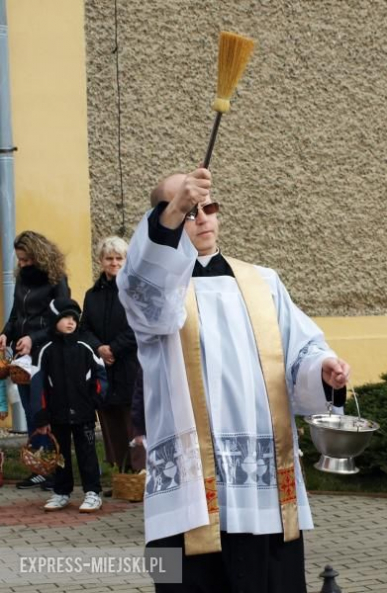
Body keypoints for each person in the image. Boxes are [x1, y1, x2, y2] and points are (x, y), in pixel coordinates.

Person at [117, 168, 351, 593]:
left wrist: (323, 369)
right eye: (189, 211)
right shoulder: (154, 294)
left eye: (208, 208)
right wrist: (173, 212)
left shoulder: (264, 282)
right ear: (164, 218)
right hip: (188, 492)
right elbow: (141, 283)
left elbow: (299, 350)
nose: (202, 219)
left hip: (261, 487)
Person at [0, 230, 70, 490]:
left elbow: (64, 319)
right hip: (22, 358)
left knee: (44, 410)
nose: (22, 264)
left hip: (47, 353)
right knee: (30, 410)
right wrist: (6, 333)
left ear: (39, 256)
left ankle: (54, 467)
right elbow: (17, 314)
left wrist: (34, 338)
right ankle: (39, 466)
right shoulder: (22, 280)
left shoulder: (56, 279)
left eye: (27, 260)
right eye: (19, 260)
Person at [32, 298, 108, 512]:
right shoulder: (46, 351)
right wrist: (42, 415)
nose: (70, 322)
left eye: (74, 318)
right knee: (60, 454)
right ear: (54, 320)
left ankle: (93, 492)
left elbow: (101, 376)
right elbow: (39, 386)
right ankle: (61, 492)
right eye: (65, 317)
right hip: (57, 414)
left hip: (83, 412)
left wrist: (95, 400)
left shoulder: (85, 347)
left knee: (87, 453)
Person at [81, 236, 145, 478]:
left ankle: (139, 474)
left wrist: (114, 349)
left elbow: (138, 326)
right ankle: (120, 474)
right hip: (103, 369)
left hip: (130, 365)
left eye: (120, 258)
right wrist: (99, 348)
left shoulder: (134, 291)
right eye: (109, 258)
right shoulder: (92, 295)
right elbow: (84, 327)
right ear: (101, 261)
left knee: (133, 420)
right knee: (110, 423)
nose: (114, 263)